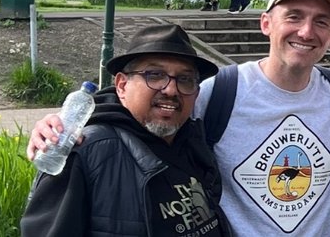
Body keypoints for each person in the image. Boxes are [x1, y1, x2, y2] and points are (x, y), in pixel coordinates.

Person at [31, 0, 330, 235]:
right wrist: (67, 121)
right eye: (294, 16)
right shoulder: (221, 91)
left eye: (321, 22)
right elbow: (145, 107)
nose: (306, 31)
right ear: (266, 23)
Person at [21, 24, 230, 236]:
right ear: (121, 85)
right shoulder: (86, 151)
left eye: (185, 79)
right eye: (155, 75)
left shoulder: (193, 142)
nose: (171, 89)